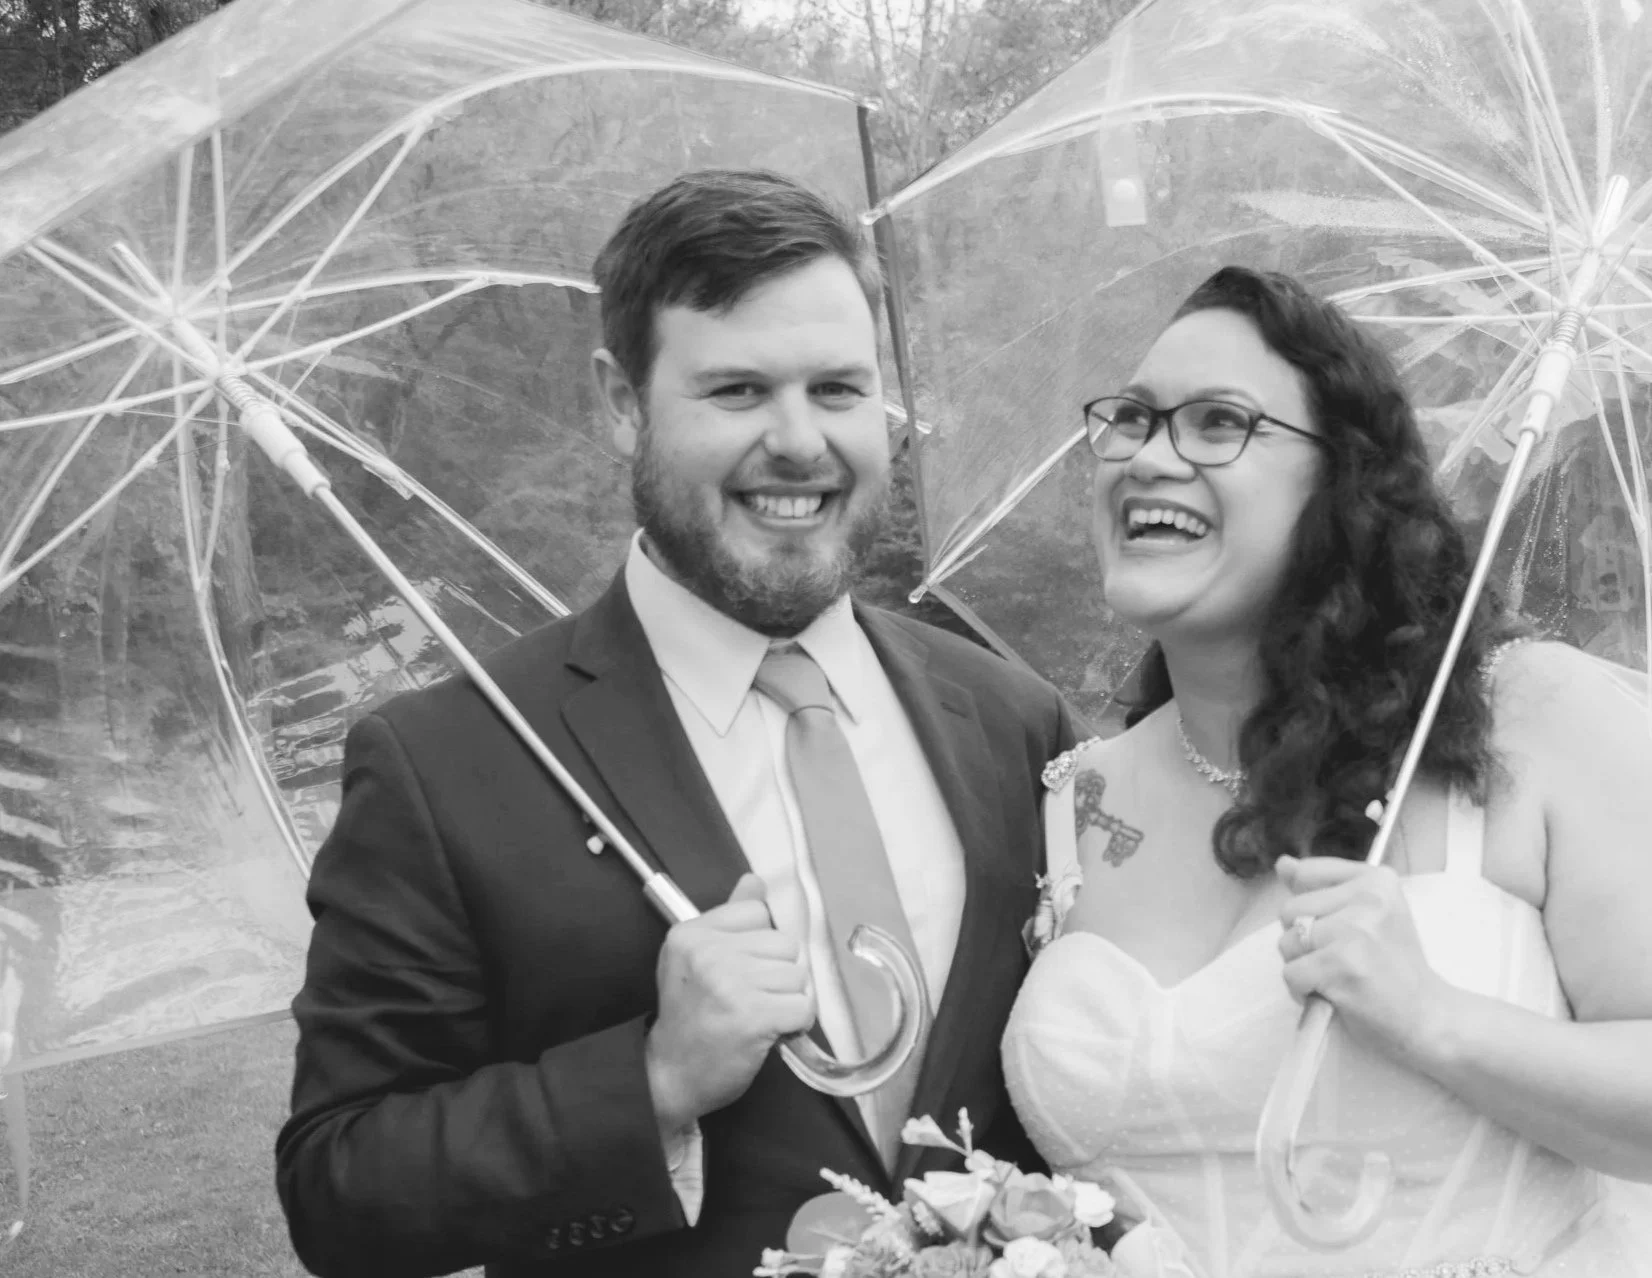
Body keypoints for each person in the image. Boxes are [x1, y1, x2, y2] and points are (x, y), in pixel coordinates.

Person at [276, 170, 1077, 1278]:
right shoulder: (450, 764)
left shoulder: (1009, 717)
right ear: (621, 400)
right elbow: (340, 1188)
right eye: (738, 391)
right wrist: (650, 1080)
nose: (800, 444)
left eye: (839, 390)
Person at [1003, 266, 1652, 1277]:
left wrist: (1431, 1018)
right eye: (1129, 419)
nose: (1149, 457)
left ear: (1337, 481)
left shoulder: (1531, 721)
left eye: (1216, 424)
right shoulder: (1073, 795)